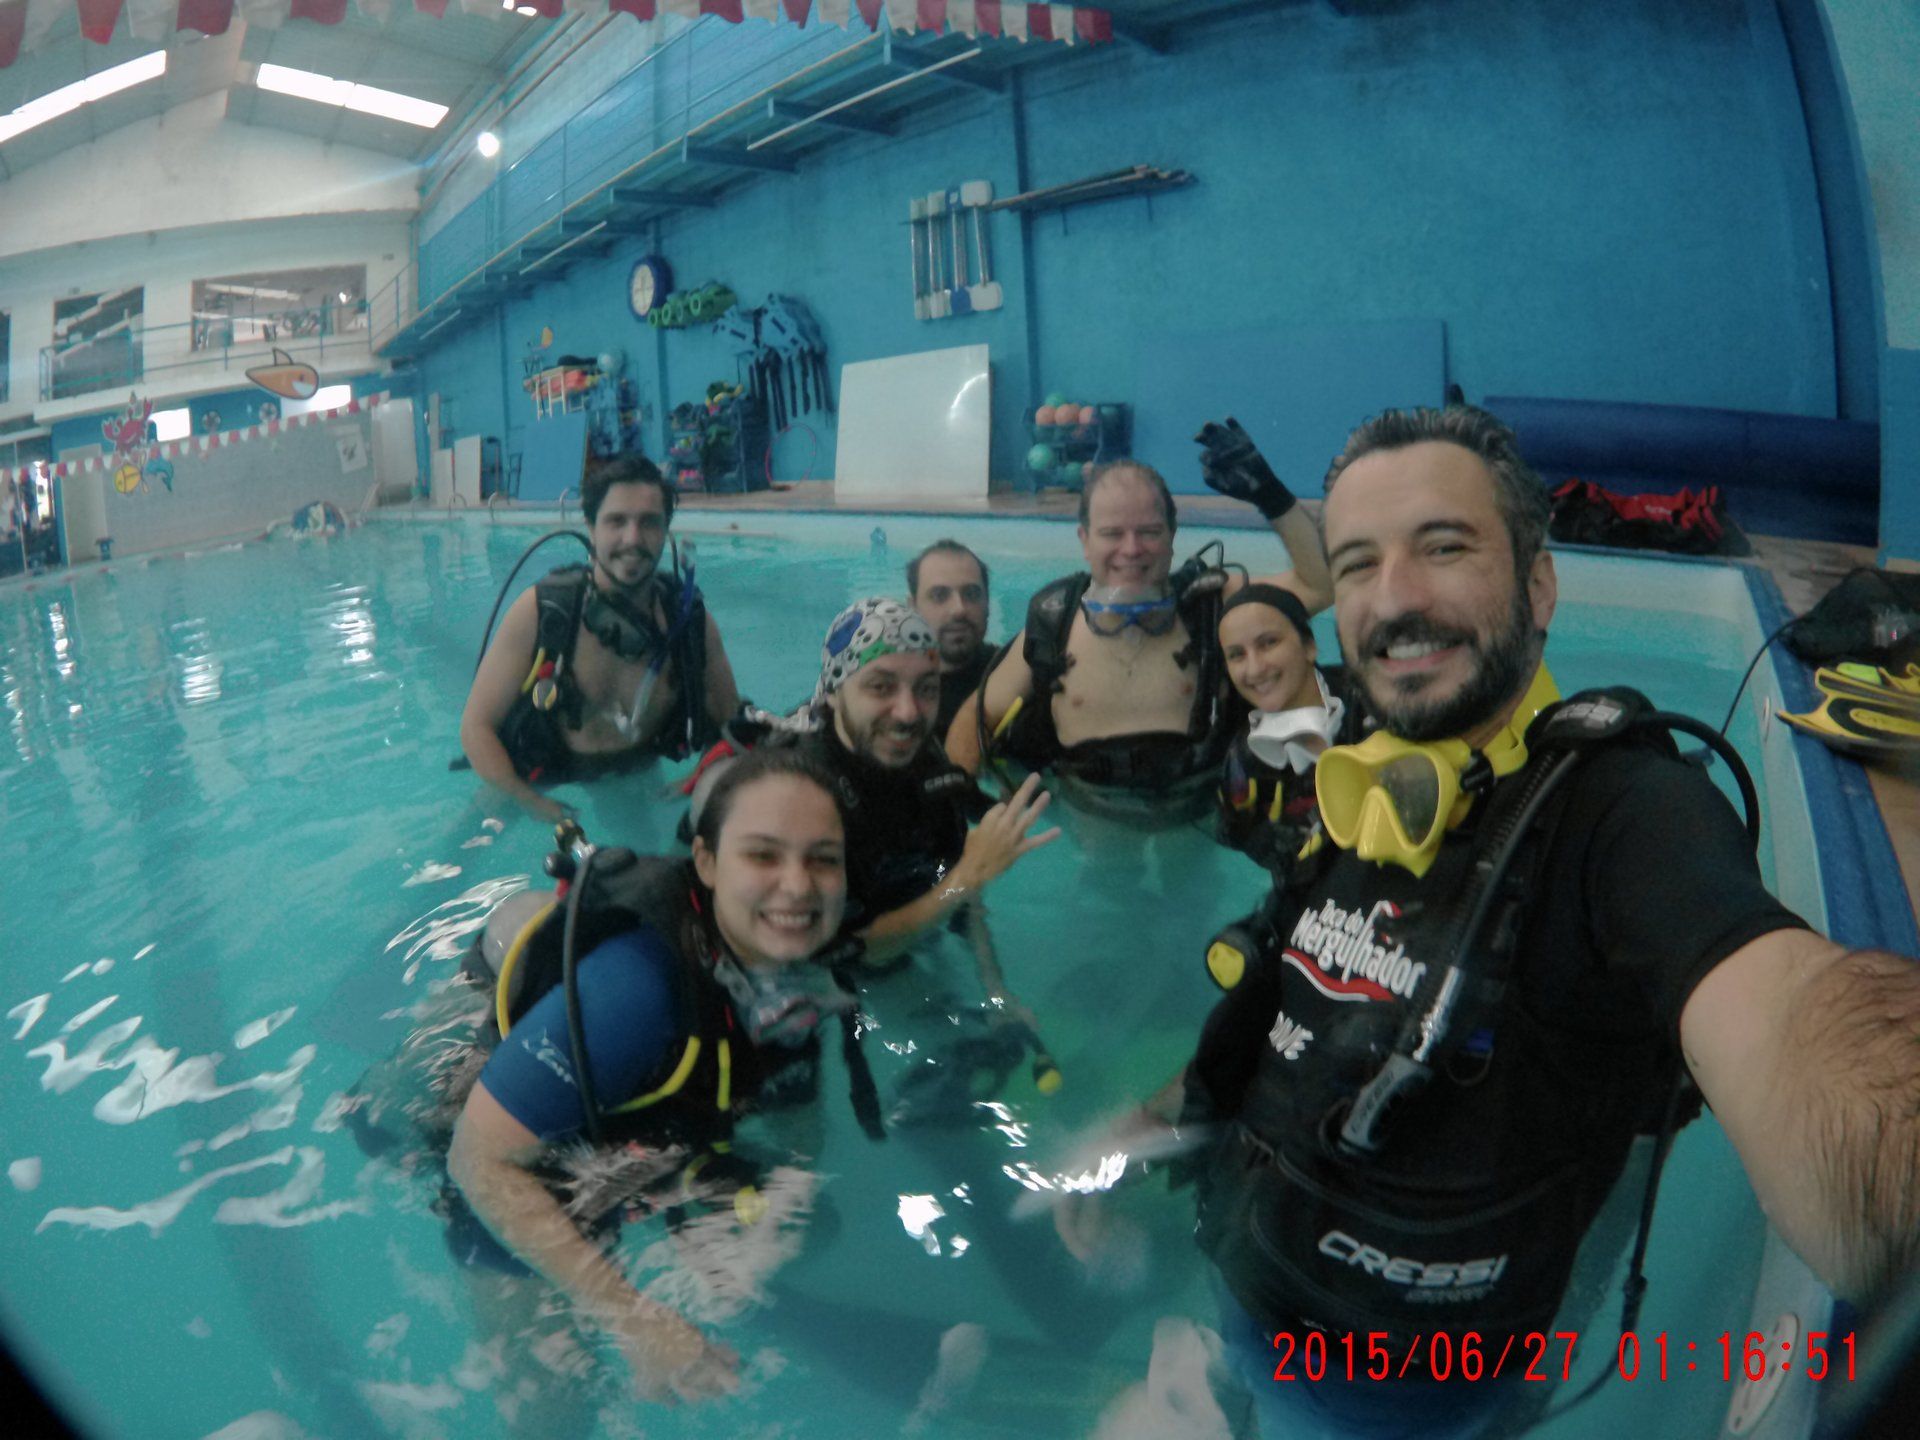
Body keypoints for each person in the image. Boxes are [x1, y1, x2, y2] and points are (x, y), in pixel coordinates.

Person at [1055, 405, 1920, 1437]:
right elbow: (1282, 1014)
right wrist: (1145, 1126)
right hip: (1244, 1285)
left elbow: (1797, 1021)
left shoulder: (1625, 815)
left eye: (1444, 547)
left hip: (1412, 1401)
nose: (1395, 597)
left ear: (1540, 585)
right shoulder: (1360, 790)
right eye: (1360, 563)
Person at [442, 746, 861, 1405]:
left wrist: (767, 1215)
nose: (798, 886)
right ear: (707, 862)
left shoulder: (802, 973)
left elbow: (797, 1126)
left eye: (823, 859)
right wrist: (635, 1320)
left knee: (813, 1225)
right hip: (505, 1161)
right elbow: (477, 1163)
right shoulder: (635, 990)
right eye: (763, 855)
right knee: (557, 1401)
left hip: (635, 1126)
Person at [946, 421, 1333, 820]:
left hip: (1196, 817)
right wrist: (963, 811)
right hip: (1088, 822)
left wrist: (1270, 495)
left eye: (1148, 532)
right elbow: (977, 716)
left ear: (1172, 535)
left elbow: (1321, 586)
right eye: (1112, 534)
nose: (1131, 549)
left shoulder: (1211, 605)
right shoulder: (1053, 623)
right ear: (1084, 540)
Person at [459, 454, 741, 822]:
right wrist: (529, 802)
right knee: (465, 847)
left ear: (665, 530)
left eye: (649, 522)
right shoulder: (544, 613)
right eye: (616, 521)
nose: (632, 539)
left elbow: (734, 727)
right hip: (542, 767)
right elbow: (476, 727)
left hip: (635, 766)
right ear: (591, 528)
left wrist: (699, 776)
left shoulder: (688, 622)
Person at [1215, 581, 1362, 883]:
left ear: (1310, 646)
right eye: (1237, 655)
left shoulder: (1371, 707)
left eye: (1268, 643)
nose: (1255, 669)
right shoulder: (1243, 763)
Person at [908, 539, 995, 737]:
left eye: (971, 594)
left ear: (988, 604)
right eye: (939, 595)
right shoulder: (892, 686)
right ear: (913, 608)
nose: (959, 609)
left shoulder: (1011, 672)